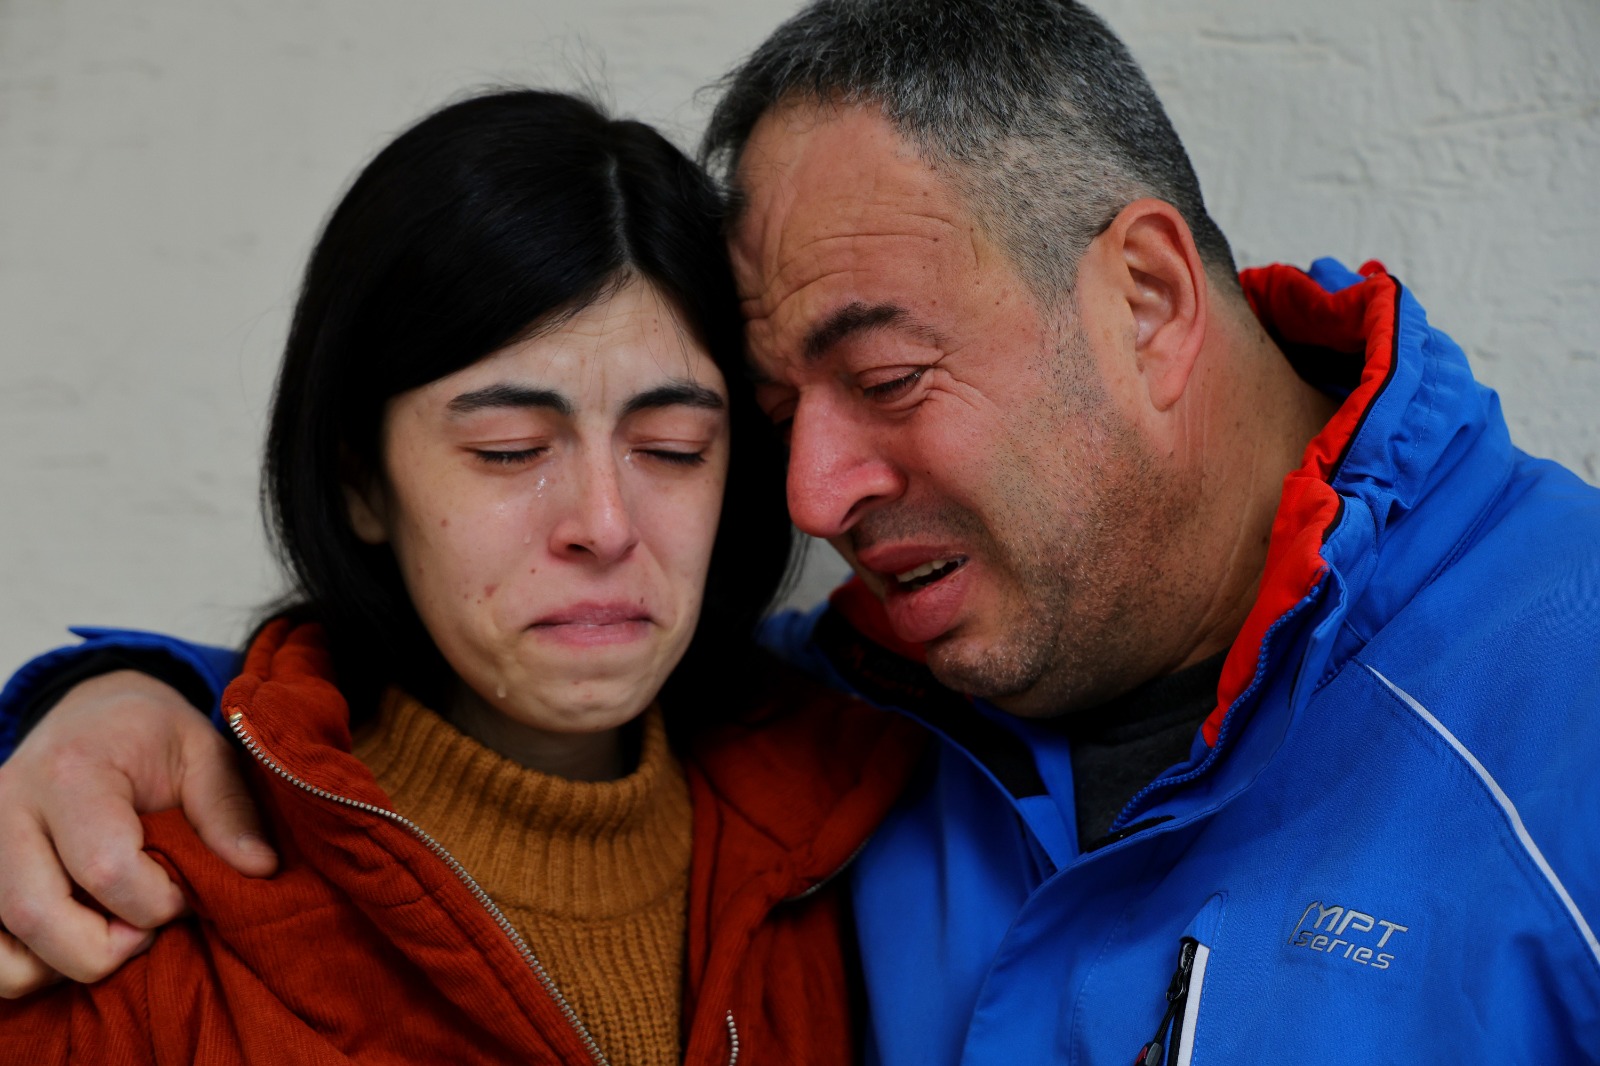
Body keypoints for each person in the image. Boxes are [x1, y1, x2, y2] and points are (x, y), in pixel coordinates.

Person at [5, 0, 1600, 1062]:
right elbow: (457, 714)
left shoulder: (1560, 715)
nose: (815, 500)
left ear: (1146, 299)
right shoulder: (854, 702)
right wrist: (114, 704)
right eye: (772, 422)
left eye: (888, 377)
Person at [0, 87, 924, 1064]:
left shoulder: (852, 834)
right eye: (509, 447)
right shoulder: (120, 910)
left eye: (672, 445)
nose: (604, 525)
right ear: (361, 480)